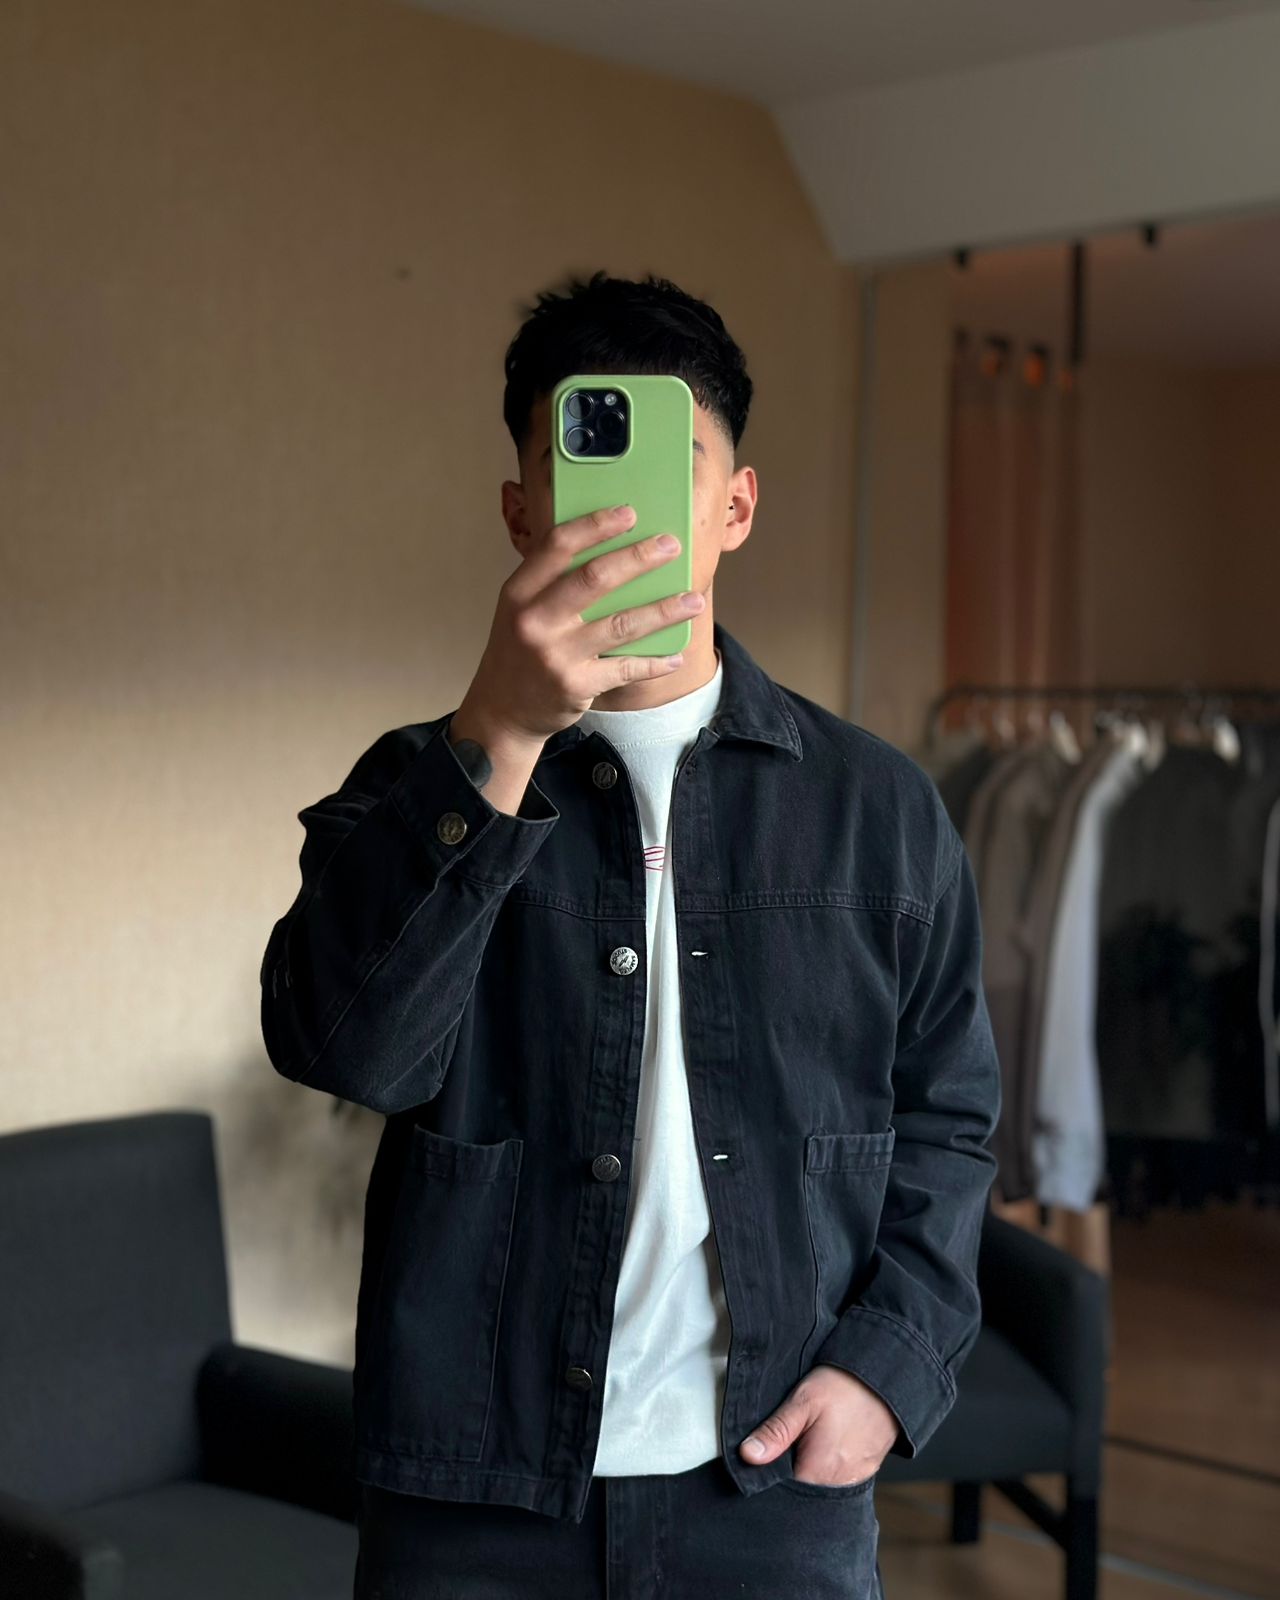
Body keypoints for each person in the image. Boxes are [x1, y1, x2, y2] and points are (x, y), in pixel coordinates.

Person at [260, 271, 1002, 1599]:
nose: (616, 511)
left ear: (735, 507)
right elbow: (346, 1052)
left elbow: (948, 1117)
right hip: (472, 1496)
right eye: (577, 464)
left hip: (771, 1485)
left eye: (668, 462)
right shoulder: (414, 784)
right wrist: (497, 733)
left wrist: (888, 1369)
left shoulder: (877, 810)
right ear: (519, 512)